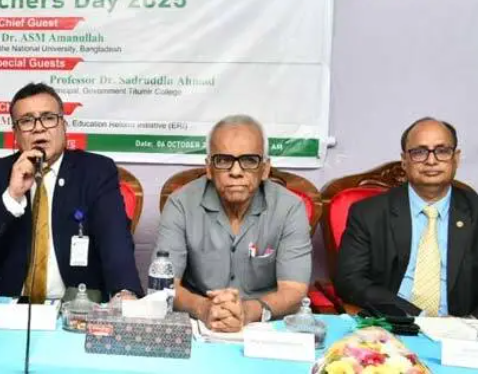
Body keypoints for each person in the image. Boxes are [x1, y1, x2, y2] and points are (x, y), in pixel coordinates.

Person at [0, 83, 142, 302]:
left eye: (48, 118)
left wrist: (125, 292)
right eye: (26, 121)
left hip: (76, 305)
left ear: (63, 125)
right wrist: (13, 196)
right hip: (13, 305)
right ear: (15, 133)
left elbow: (115, 240)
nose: (39, 128)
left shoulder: (96, 171)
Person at [154, 115, 311, 332]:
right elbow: (164, 284)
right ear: (209, 168)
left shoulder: (289, 208)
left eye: (249, 161)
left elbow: (294, 290)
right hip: (198, 323)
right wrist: (204, 309)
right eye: (223, 160)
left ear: (265, 169)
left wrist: (248, 312)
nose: (236, 172)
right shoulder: (180, 204)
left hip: (264, 324)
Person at [336, 118, 478, 317]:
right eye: (419, 152)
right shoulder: (369, 213)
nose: (431, 161)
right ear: (404, 160)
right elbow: (350, 280)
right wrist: (413, 315)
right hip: (394, 321)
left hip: (464, 327)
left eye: (442, 151)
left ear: (456, 158)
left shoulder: (474, 210)